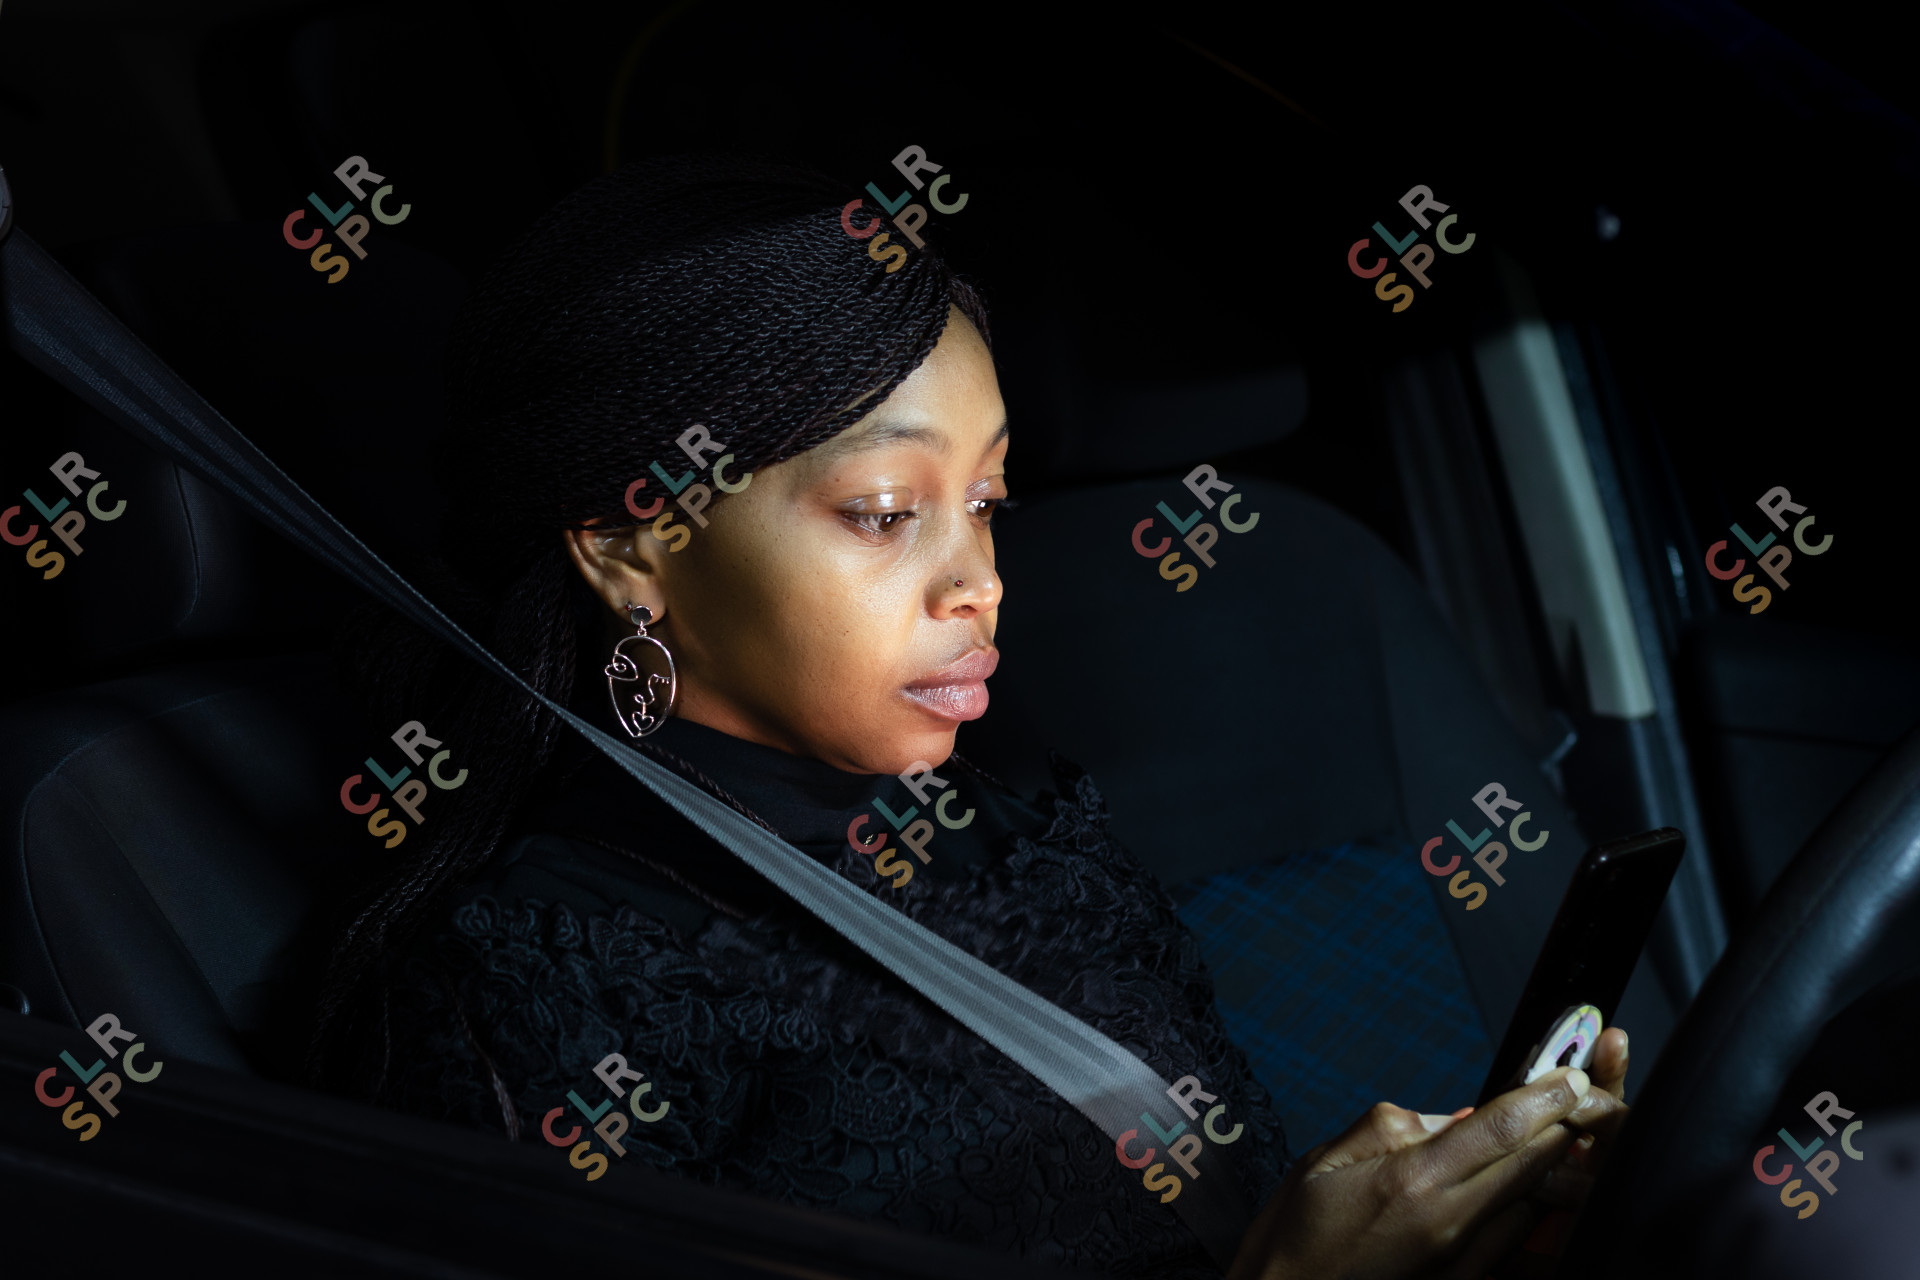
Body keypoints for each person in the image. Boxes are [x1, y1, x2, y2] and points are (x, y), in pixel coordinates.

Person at [306, 154, 1629, 1278]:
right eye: (885, 513)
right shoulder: (523, 982)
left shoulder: (1026, 838)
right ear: (627, 544)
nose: (979, 580)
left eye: (987, 502)